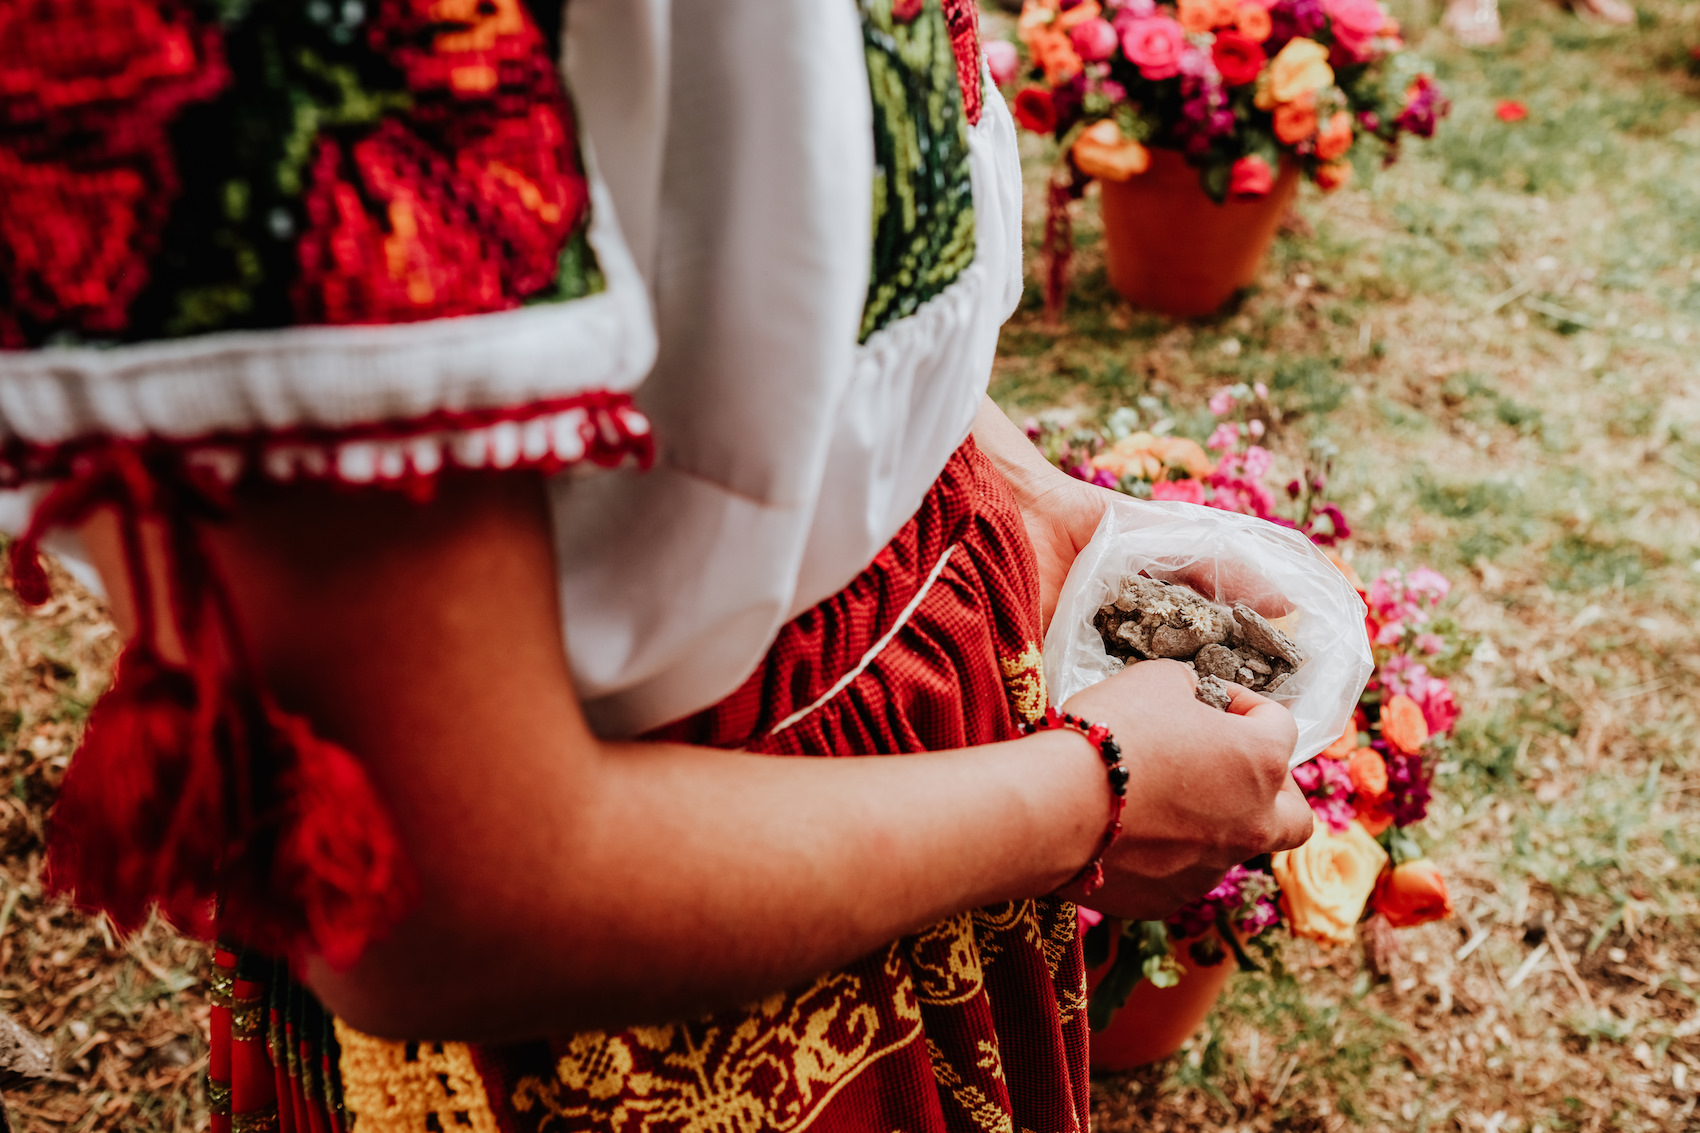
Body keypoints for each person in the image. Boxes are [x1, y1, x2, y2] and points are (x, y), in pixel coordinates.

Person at [0, 1, 1312, 1130]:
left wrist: (1022, 496)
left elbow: (732, 227)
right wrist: (1094, 793)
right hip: (656, 915)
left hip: (879, 760)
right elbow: (430, 891)